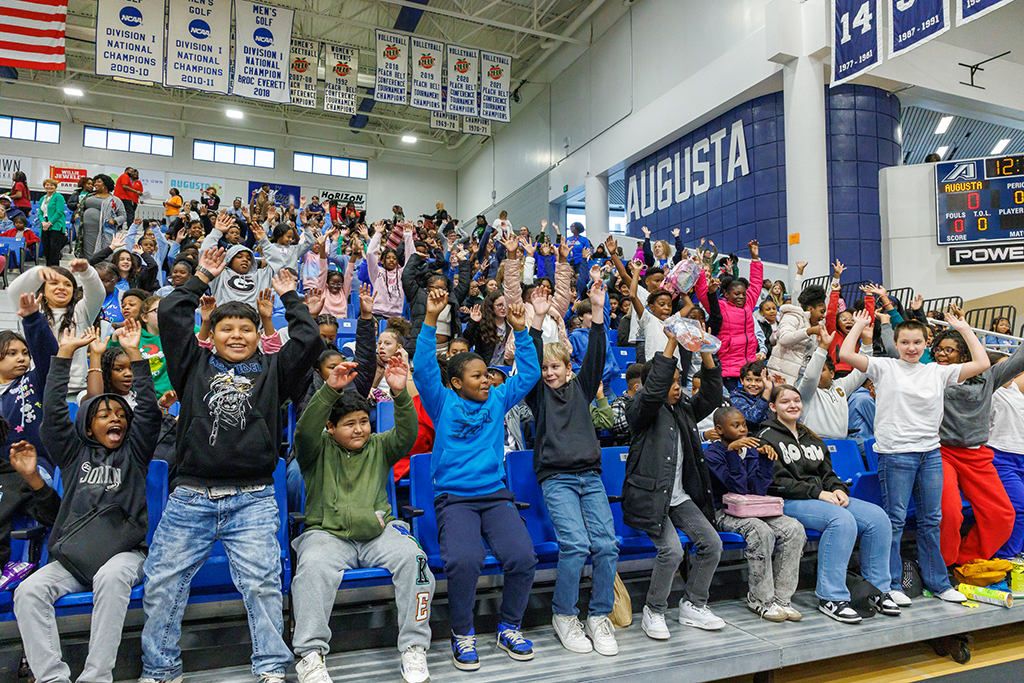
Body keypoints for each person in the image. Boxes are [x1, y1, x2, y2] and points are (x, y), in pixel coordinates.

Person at [140, 249, 321, 683]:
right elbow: (170, 309)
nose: (237, 335)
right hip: (191, 498)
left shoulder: (275, 370)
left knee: (263, 586)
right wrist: (203, 275)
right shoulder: (190, 365)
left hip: (253, 499)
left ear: (259, 336)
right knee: (163, 584)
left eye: (246, 329)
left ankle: (271, 670)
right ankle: (160, 671)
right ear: (213, 334)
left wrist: (290, 296)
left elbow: (310, 338)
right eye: (227, 328)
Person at [16, 319, 158, 683]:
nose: (115, 419)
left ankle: (96, 676)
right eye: (103, 415)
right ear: (87, 425)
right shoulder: (72, 452)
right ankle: (52, 678)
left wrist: (134, 356)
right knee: (29, 591)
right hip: (76, 560)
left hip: (125, 556)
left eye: (120, 416)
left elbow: (149, 414)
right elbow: (53, 413)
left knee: (112, 578)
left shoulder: (135, 451)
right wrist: (64, 354)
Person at [413, 288, 541, 672]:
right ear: (456, 382)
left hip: (495, 494)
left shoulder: (498, 399)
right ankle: (463, 633)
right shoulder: (442, 401)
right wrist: (431, 320)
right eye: (478, 376)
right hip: (454, 498)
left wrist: (523, 332)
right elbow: (422, 369)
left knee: (522, 557)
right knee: (465, 561)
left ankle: (509, 627)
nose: (487, 381)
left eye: (487, 375)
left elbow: (530, 374)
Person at [290, 356, 433, 683]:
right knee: (311, 567)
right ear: (331, 427)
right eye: (350, 423)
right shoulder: (315, 448)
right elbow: (305, 429)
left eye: (364, 421)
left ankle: (414, 649)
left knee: (416, 559)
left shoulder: (380, 446)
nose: (360, 429)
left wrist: (399, 393)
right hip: (327, 535)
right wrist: (328, 391)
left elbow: (408, 433)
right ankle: (310, 656)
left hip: (378, 533)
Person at [839, 311, 988, 607]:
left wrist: (964, 329)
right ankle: (892, 584)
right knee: (894, 522)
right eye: (905, 342)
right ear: (896, 343)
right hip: (895, 455)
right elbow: (845, 353)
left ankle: (939, 583)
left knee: (932, 520)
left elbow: (982, 363)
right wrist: (857, 326)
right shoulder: (884, 367)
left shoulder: (937, 371)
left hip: (930, 453)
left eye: (917, 342)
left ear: (926, 343)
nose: (911, 347)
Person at [526, 282, 619, 656]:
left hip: (590, 478)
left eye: (556, 367)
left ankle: (598, 616)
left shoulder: (582, 389)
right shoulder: (538, 394)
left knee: (607, 546)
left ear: (568, 368)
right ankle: (564, 614)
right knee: (576, 545)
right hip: (558, 479)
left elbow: (596, 354)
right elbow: (531, 362)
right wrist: (536, 317)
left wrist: (598, 311)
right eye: (546, 367)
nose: (549, 373)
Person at [758, 385, 897, 623]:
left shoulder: (812, 438)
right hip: (788, 501)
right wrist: (817, 493)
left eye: (797, 400)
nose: (792, 405)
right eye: (785, 402)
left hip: (822, 498)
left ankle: (877, 589)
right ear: (772, 407)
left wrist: (837, 489)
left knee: (878, 518)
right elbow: (774, 483)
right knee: (841, 521)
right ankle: (831, 597)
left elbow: (828, 473)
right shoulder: (765, 438)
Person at [623, 327, 725, 640]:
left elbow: (711, 395)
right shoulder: (640, 410)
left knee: (712, 544)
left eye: (679, 382)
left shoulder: (683, 410)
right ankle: (654, 610)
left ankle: (693, 604)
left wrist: (705, 348)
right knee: (672, 550)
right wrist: (671, 342)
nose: (676, 388)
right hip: (652, 498)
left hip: (678, 497)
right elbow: (653, 390)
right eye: (670, 382)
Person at [930, 320, 1023, 567]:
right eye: (939, 348)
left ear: (963, 353)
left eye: (949, 349)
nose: (941, 353)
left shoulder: (987, 377)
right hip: (943, 453)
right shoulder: (930, 375)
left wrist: (965, 331)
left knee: (1002, 515)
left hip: (977, 455)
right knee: (949, 513)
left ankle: (965, 561)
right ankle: (942, 567)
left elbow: (1018, 361)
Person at [705, 406, 805, 621]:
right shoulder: (712, 454)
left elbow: (758, 491)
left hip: (754, 508)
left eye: (744, 424)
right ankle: (761, 599)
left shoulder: (752, 449)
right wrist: (732, 454)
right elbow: (737, 490)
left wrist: (766, 462)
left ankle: (782, 599)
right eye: (736, 425)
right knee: (760, 531)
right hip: (723, 511)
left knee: (794, 528)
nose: (743, 429)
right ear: (719, 429)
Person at [8, 260, 105, 396]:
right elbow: (14, 292)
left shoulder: (82, 312)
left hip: (76, 391)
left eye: (68, 285)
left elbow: (98, 294)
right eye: (54, 283)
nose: (61, 288)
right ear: (43, 290)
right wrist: (37, 273)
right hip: (41, 388)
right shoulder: (32, 313)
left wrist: (86, 271)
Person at [0, 294, 59, 476]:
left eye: (25, 353)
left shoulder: (34, 381)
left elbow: (49, 357)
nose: (21, 358)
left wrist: (33, 319)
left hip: (35, 466)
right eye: (12, 353)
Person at [693, 240, 762, 391]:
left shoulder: (748, 304)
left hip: (748, 368)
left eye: (743, 294)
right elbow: (702, 291)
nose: (741, 297)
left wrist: (755, 258)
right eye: (736, 294)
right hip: (728, 371)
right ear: (726, 294)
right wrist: (699, 267)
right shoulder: (720, 306)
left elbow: (756, 284)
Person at [797, 329, 869, 440]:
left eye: (822, 370)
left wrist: (867, 341)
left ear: (831, 374)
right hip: (815, 442)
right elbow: (811, 377)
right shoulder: (807, 391)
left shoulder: (840, 386)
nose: (817, 374)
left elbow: (862, 371)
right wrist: (824, 347)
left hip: (842, 443)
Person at [991, 354, 1024, 558]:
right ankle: (1006, 559)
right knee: (1019, 509)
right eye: (1006, 367)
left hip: (1021, 456)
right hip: (1000, 457)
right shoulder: (990, 390)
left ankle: (1019, 557)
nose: (1012, 370)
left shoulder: (1015, 390)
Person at [766, 284, 826, 386]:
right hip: (782, 376)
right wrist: (809, 331)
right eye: (821, 311)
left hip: (802, 376)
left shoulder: (813, 325)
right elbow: (784, 339)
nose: (823, 316)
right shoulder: (792, 316)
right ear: (811, 309)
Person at [81, 174, 126, 256]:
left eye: (98, 182)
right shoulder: (89, 196)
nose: (95, 184)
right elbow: (80, 209)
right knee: (86, 253)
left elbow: (123, 216)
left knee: (102, 253)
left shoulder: (114, 200)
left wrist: (115, 221)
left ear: (106, 184)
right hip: (86, 231)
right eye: (95, 182)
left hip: (103, 232)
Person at [728, 361, 772, 431]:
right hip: (749, 436)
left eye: (758, 380)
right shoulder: (736, 397)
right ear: (742, 381)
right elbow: (753, 418)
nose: (753, 384)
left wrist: (780, 390)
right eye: (748, 380)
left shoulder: (769, 394)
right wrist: (766, 393)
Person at [38, 178, 67, 267]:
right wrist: (43, 222)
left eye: (51, 185)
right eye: (47, 185)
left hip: (56, 226)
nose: (49, 187)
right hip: (44, 226)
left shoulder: (58, 197)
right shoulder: (43, 198)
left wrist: (49, 223)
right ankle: (48, 270)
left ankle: (55, 271)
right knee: (46, 250)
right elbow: (40, 213)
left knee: (54, 251)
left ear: (55, 187)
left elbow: (59, 212)